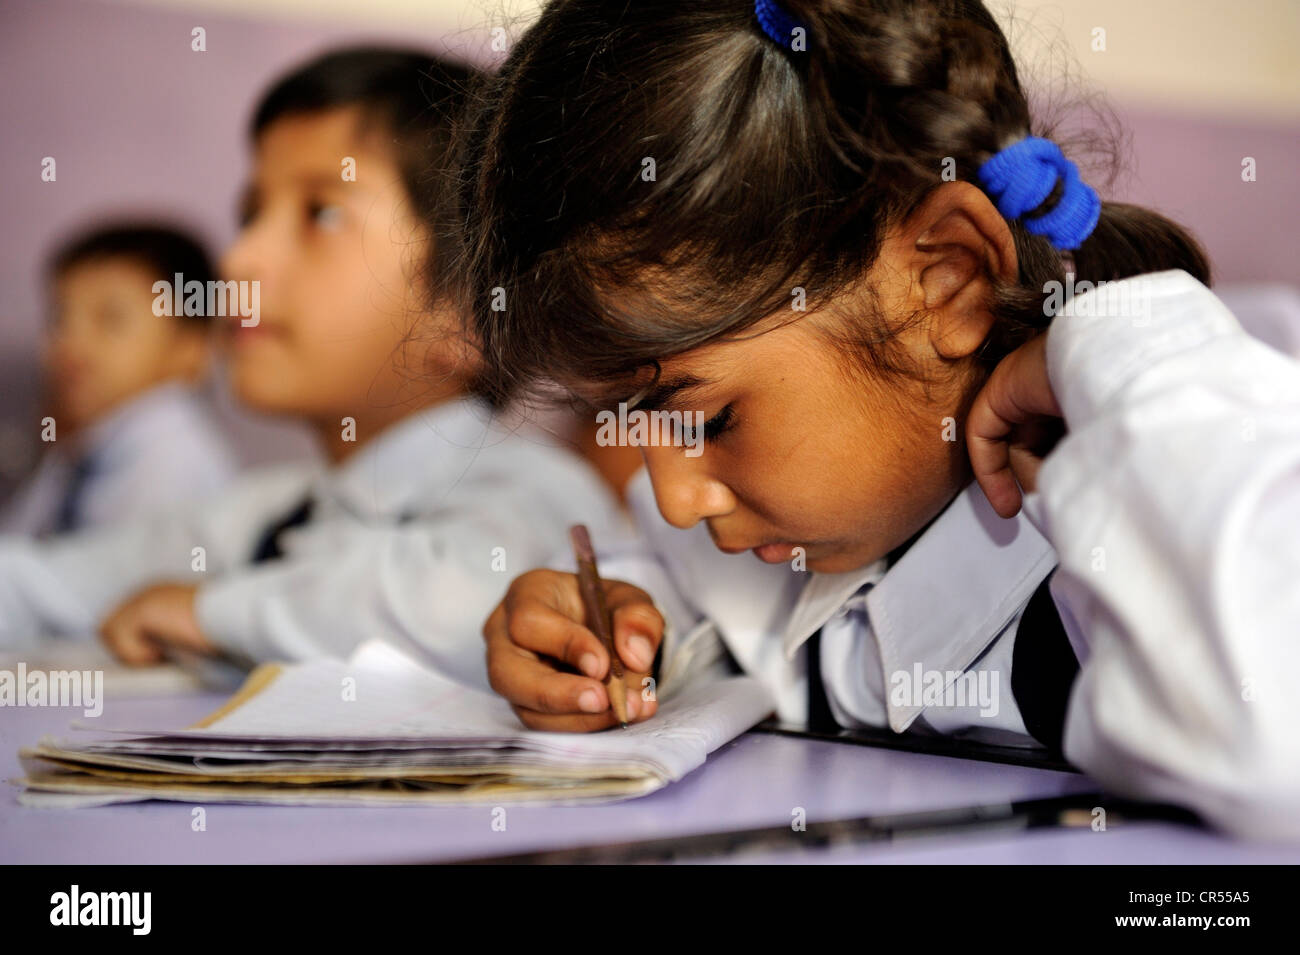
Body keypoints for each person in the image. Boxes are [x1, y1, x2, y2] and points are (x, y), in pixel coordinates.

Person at [455, 0, 1298, 836]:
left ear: (947, 281)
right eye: (625, 421)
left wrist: (1122, 348)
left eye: (706, 421)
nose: (675, 499)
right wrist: (608, 639)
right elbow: (697, 616)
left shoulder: (1114, 563)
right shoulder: (784, 541)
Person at [0, 47, 625, 692]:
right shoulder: (263, 515)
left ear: (468, 313)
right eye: (250, 216)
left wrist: (208, 613)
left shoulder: (534, 490)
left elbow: (460, 605)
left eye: (320, 213)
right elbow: (38, 585)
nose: (238, 260)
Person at [0, 223, 237, 536]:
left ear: (190, 349)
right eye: (59, 319)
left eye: (110, 319)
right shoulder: (81, 449)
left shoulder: (172, 462)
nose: (71, 342)